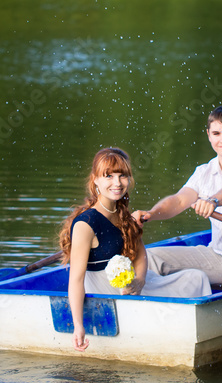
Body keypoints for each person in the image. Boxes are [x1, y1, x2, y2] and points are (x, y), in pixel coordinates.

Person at [59, 147, 211, 352]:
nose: (117, 183)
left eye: (123, 176)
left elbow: (140, 255)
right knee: (196, 280)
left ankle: (197, 337)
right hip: (104, 291)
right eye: (109, 176)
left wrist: (140, 281)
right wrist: (78, 326)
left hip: (130, 286)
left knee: (196, 278)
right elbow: (76, 279)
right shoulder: (85, 224)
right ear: (95, 180)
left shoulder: (123, 215)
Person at [133, 106, 222, 291]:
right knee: (151, 257)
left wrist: (213, 201)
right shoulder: (203, 172)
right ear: (209, 135)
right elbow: (179, 201)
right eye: (216, 133)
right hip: (218, 256)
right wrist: (151, 214)